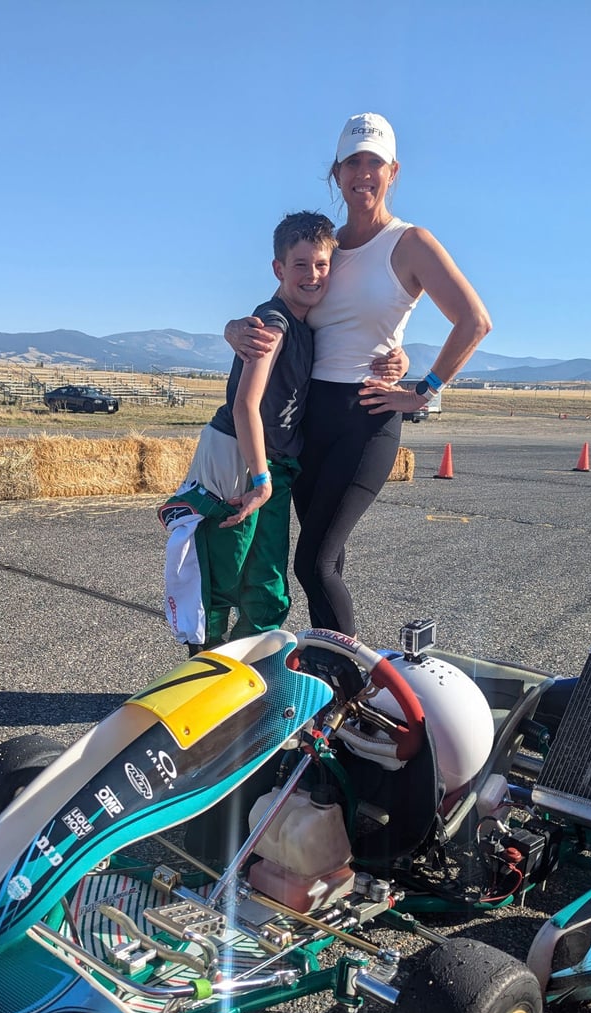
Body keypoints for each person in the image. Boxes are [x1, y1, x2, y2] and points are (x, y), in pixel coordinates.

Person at [225, 112, 492, 637]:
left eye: (374, 162)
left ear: (393, 171)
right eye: (352, 162)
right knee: (331, 560)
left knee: (312, 564)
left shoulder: (409, 242)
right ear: (336, 172)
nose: (362, 173)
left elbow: (474, 321)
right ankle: (330, 678)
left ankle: (353, 676)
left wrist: (423, 389)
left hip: (365, 420)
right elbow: (288, 309)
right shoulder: (326, 248)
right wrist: (233, 327)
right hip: (309, 422)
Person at [160, 211, 336, 654]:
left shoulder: (304, 322)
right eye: (301, 265)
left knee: (267, 583)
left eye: (321, 265)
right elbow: (245, 403)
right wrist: (260, 479)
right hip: (239, 458)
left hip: (272, 463)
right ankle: (204, 666)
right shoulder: (272, 324)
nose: (313, 275)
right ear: (278, 269)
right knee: (223, 570)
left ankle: (250, 668)